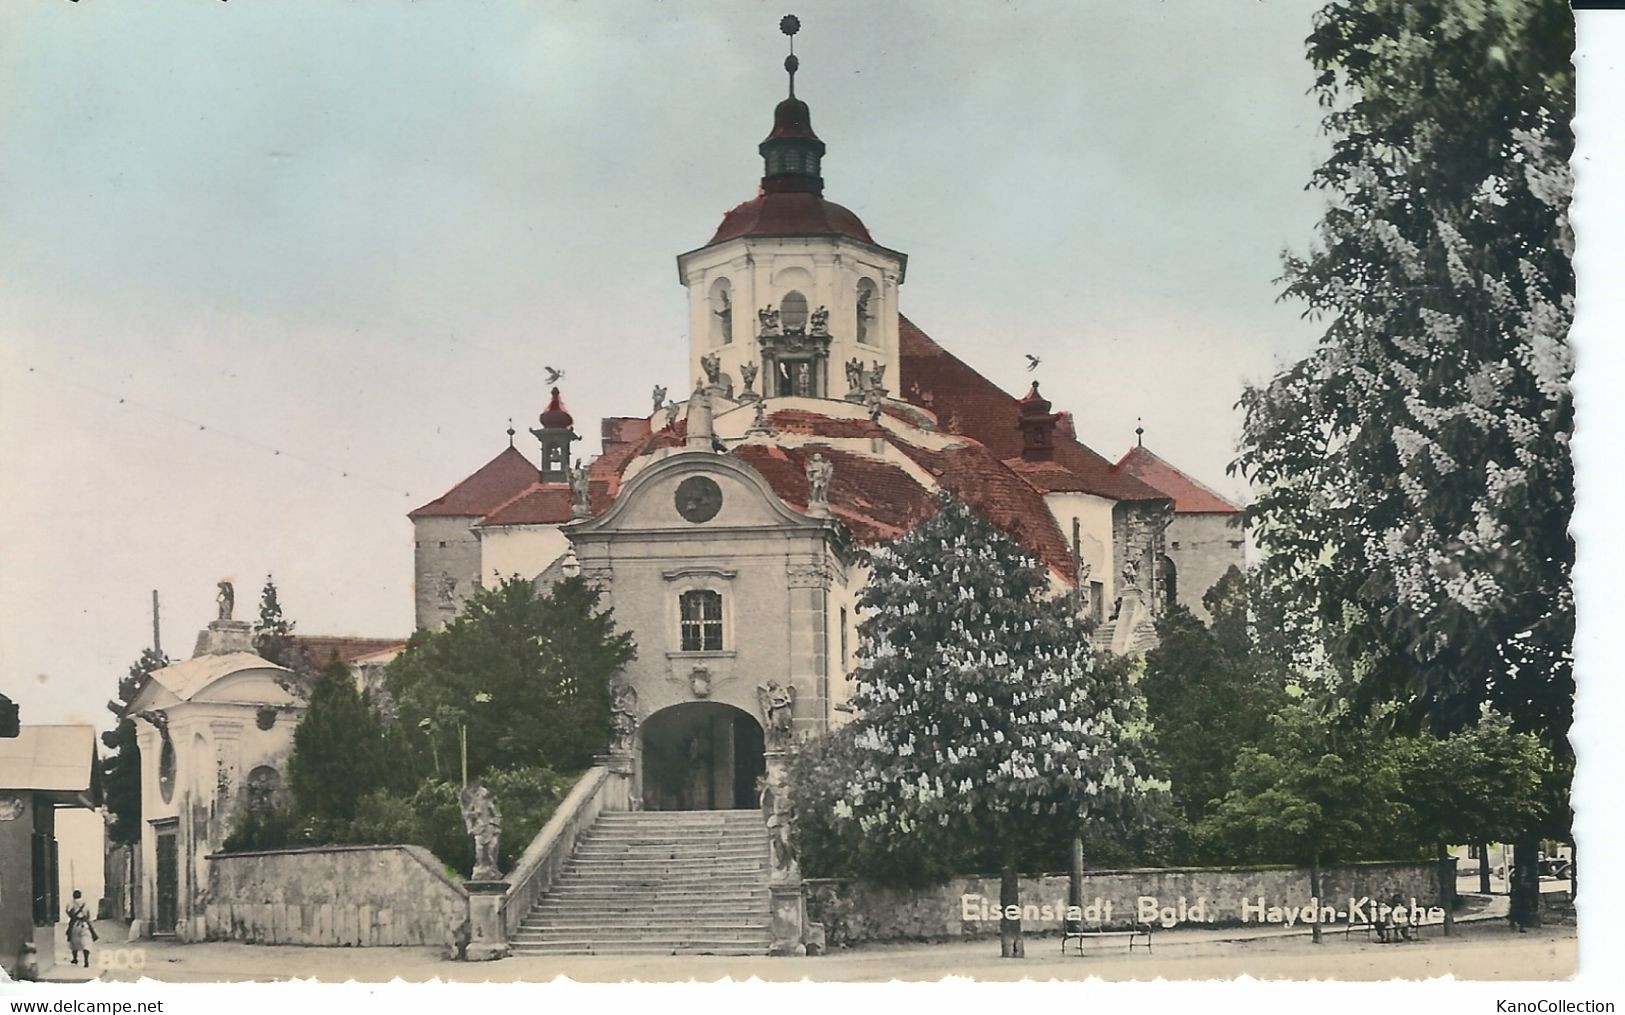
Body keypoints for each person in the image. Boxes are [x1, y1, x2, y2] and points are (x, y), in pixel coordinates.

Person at [65, 889, 96, 967]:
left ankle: (75, 959)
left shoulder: (71, 903)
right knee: (86, 942)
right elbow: (88, 915)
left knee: (74, 942)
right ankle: (86, 961)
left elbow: (68, 912)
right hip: (85, 925)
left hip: (75, 925)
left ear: (73, 896)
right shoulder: (86, 904)